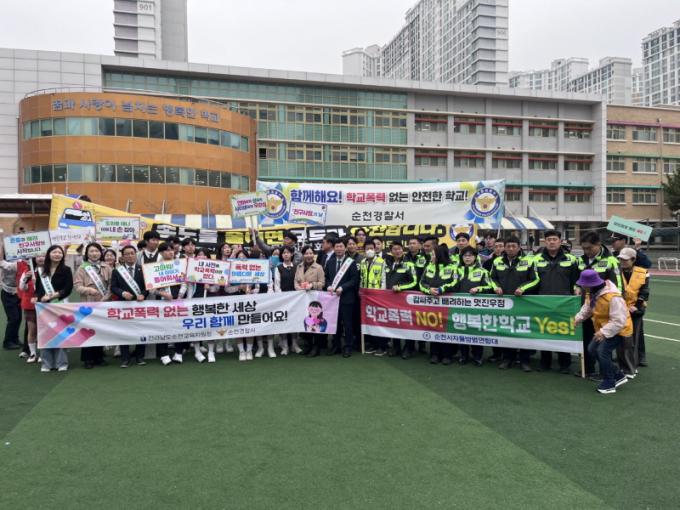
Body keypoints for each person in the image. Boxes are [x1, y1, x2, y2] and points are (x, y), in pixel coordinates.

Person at [574, 269, 632, 395]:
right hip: (605, 329)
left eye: (583, 285)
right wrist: (578, 318)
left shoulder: (613, 297)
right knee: (592, 349)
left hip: (620, 330)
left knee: (602, 351)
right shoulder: (592, 293)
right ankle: (617, 375)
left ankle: (610, 382)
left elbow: (619, 321)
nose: (582, 287)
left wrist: (603, 332)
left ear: (590, 284)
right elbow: (587, 308)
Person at [490, 235, 540, 372]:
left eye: (514, 246)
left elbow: (535, 279)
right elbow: (492, 278)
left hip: (523, 303)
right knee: (507, 330)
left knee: (524, 332)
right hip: (505, 303)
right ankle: (507, 359)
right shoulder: (497, 261)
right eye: (508, 246)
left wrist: (522, 288)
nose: (511, 249)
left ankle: (524, 360)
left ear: (519, 247)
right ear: (504, 248)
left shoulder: (529, 261)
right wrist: (496, 287)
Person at [533, 230, 580, 374]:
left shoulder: (572, 259)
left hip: (564, 303)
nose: (551, 242)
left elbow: (577, 280)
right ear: (544, 241)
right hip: (542, 303)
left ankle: (565, 364)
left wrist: (577, 289)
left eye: (554, 239)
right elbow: (532, 281)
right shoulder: (535, 259)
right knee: (544, 333)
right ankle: (545, 363)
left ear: (560, 241)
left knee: (563, 333)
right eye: (549, 239)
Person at [577, 231, 623, 377]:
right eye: (584, 248)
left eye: (589, 248)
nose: (586, 251)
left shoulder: (611, 260)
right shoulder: (580, 260)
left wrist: (614, 307)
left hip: (604, 310)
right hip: (587, 308)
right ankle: (588, 369)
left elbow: (619, 287)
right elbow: (577, 280)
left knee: (603, 344)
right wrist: (576, 287)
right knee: (587, 340)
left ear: (598, 244)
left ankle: (607, 373)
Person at [35, 245, 73, 372]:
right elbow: (38, 289)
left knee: (60, 333)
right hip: (44, 307)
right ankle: (47, 363)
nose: (57, 254)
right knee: (45, 333)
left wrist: (54, 295)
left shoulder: (66, 270)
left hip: (60, 304)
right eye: (54, 252)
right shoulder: (41, 270)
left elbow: (68, 288)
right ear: (49, 254)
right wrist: (39, 297)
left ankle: (61, 362)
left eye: (59, 252)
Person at [74, 242, 112, 369]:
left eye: (97, 251)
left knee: (100, 330)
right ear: (87, 253)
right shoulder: (82, 268)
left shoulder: (106, 267)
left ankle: (99, 357)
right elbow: (77, 286)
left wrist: (106, 297)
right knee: (87, 330)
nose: (94, 253)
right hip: (88, 303)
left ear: (101, 253)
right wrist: (89, 290)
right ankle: (88, 359)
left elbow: (111, 285)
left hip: (103, 303)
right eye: (91, 251)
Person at [454, 246, 495, 366]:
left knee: (476, 332)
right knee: (462, 331)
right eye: (465, 255)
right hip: (460, 307)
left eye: (470, 255)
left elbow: (490, 287)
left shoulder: (483, 271)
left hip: (476, 309)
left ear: (475, 257)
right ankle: (464, 356)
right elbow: (452, 285)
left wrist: (478, 288)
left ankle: (477, 357)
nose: (467, 258)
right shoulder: (457, 270)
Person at [110, 245, 149, 368]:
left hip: (140, 305)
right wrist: (122, 293)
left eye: (132, 253)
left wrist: (143, 294)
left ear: (135, 254)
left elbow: (148, 286)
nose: (130, 256)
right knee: (124, 331)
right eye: (127, 254)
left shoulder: (142, 269)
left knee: (141, 330)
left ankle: (140, 357)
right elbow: (113, 287)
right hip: (124, 305)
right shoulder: (117, 271)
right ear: (123, 257)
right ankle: (125, 358)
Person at [419, 244, 458, 365]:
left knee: (447, 328)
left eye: (433, 254)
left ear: (439, 255)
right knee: (434, 328)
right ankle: (434, 354)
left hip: (447, 305)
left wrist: (442, 289)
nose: (431, 256)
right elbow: (421, 283)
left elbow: (455, 283)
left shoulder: (453, 267)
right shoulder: (429, 266)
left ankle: (447, 355)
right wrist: (429, 290)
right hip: (432, 304)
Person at [150, 242, 185, 365]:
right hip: (162, 302)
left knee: (180, 327)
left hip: (177, 301)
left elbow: (184, 283)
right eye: (167, 250)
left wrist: (180, 296)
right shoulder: (155, 267)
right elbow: (151, 288)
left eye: (172, 250)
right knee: (162, 328)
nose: (171, 252)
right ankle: (163, 354)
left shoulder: (179, 264)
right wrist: (162, 294)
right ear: (161, 252)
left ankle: (178, 353)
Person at [324, 238, 360, 358]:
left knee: (347, 323)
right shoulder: (330, 262)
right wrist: (329, 286)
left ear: (345, 248)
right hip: (332, 299)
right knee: (335, 323)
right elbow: (326, 277)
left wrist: (343, 288)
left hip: (347, 298)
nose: (339, 249)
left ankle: (348, 347)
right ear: (334, 248)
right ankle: (336, 345)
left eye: (341, 246)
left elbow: (354, 279)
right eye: (337, 246)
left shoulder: (351, 262)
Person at [382, 241, 418, 358]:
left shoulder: (409, 264)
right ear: (391, 251)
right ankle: (396, 347)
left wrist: (401, 287)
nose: (397, 251)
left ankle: (409, 348)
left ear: (403, 250)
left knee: (408, 324)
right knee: (394, 323)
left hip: (405, 300)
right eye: (395, 249)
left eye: (399, 249)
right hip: (390, 301)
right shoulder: (388, 264)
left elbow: (414, 282)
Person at [617, 248, 650, 375]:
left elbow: (645, 291)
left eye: (625, 260)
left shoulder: (643, 272)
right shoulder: (616, 271)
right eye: (621, 259)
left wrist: (637, 306)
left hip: (636, 308)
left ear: (633, 260)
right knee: (621, 336)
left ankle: (634, 363)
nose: (622, 261)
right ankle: (624, 361)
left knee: (634, 336)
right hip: (620, 308)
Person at [294, 245, 326, 357]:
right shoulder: (299, 266)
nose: (309, 255)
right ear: (303, 255)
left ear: (314, 254)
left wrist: (311, 285)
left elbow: (322, 283)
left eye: (311, 253)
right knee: (305, 321)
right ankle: (308, 345)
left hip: (314, 299)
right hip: (302, 299)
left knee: (315, 322)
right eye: (306, 253)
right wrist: (298, 288)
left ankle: (316, 347)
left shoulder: (318, 267)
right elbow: (296, 281)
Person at [359, 238, 387, 356]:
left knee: (379, 321)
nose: (369, 250)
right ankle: (373, 344)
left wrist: (382, 294)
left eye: (371, 248)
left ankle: (382, 346)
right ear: (364, 250)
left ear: (375, 249)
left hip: (378, 296)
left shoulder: (381, 262)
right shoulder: (363, 262)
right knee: (369, 321)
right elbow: (361, 278)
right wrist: (360, 290)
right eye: (367, 249)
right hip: (366, 296)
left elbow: (384, 279)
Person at [273, 245, 302, 356]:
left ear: (292, 254)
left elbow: (299, 282)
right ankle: (284, 346)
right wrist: (282, 298)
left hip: (296, 299)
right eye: (284, 253)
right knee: (283, 322)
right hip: (283, 299)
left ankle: (295, 344)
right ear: (281, 255)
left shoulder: (297, 267)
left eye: (288, 252)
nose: (286, 254)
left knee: (295, 321)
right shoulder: (278, 268)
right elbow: (277, 285)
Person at [17, 254, 45, 363]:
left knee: (43, 329)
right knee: (32, 329)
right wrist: (25, 279)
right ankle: (33, 353)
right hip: (30, 304)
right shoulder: (28, 271)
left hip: (45, 304)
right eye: (38, 256)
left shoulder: (49, 270)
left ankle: (44, 353)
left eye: (43, 256)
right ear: (34, 258)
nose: (41, 258)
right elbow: (22, 288)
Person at [0, 244, 22, 350]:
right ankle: (7, 342)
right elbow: (8, 265)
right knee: (13, 318)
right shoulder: (5, 263)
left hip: (19, 293)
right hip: (8, 293)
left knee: (19, 318)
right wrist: (2, 244)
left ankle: (15, 339)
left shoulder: (21, 260)